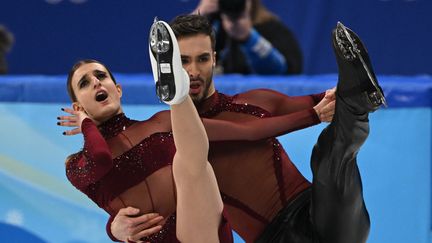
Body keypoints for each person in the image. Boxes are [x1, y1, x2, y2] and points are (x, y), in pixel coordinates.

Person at [109, 15, 386, 243]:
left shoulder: (255, 101)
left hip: (326, 214)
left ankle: (359, 101)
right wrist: (113, 226)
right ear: (168, 67)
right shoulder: (166, 130)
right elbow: (246, 133)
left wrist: (344, 95)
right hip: (275, 239)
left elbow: (326, 101)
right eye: (182, 61)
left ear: (215, 59)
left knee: (328, 154)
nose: (193, 70)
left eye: (202, 59)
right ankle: (357, 103)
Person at [60, 20, 235, 243]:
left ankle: (176, 93)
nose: (96, 82)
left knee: (192, 163)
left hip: (203, 230)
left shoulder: (163, 123)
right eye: (85, 83)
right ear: (78, 108)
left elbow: (227, 136)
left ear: (119, 89)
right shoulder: (77, 165)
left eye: (101, 76)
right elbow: (101, 158)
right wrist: (86, 124)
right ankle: (176, 92)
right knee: (189, 161)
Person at [193, 0, 302, 75]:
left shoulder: (273, 29)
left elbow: (286, 73)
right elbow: (179, 59)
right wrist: (199, 15)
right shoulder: (209, 28)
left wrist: (249, 38)